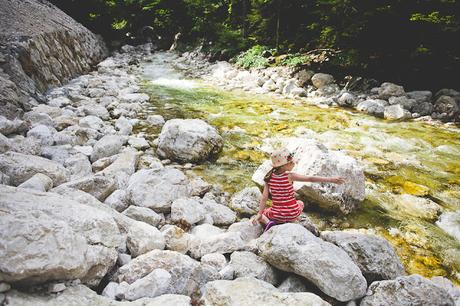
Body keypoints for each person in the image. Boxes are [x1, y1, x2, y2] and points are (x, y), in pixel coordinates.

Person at [252, 147, 345, 231]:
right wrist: (331, 179)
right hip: (293, 213)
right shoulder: (290, 176)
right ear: (283, 165)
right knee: (300, 203)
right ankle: (291, 221)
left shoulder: (269, 178)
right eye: (291, 162)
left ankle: (269, 223)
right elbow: (310, 179)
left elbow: (264, 197)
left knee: (264, 213)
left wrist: (260, 214)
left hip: (277, 215)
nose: (294, 163)